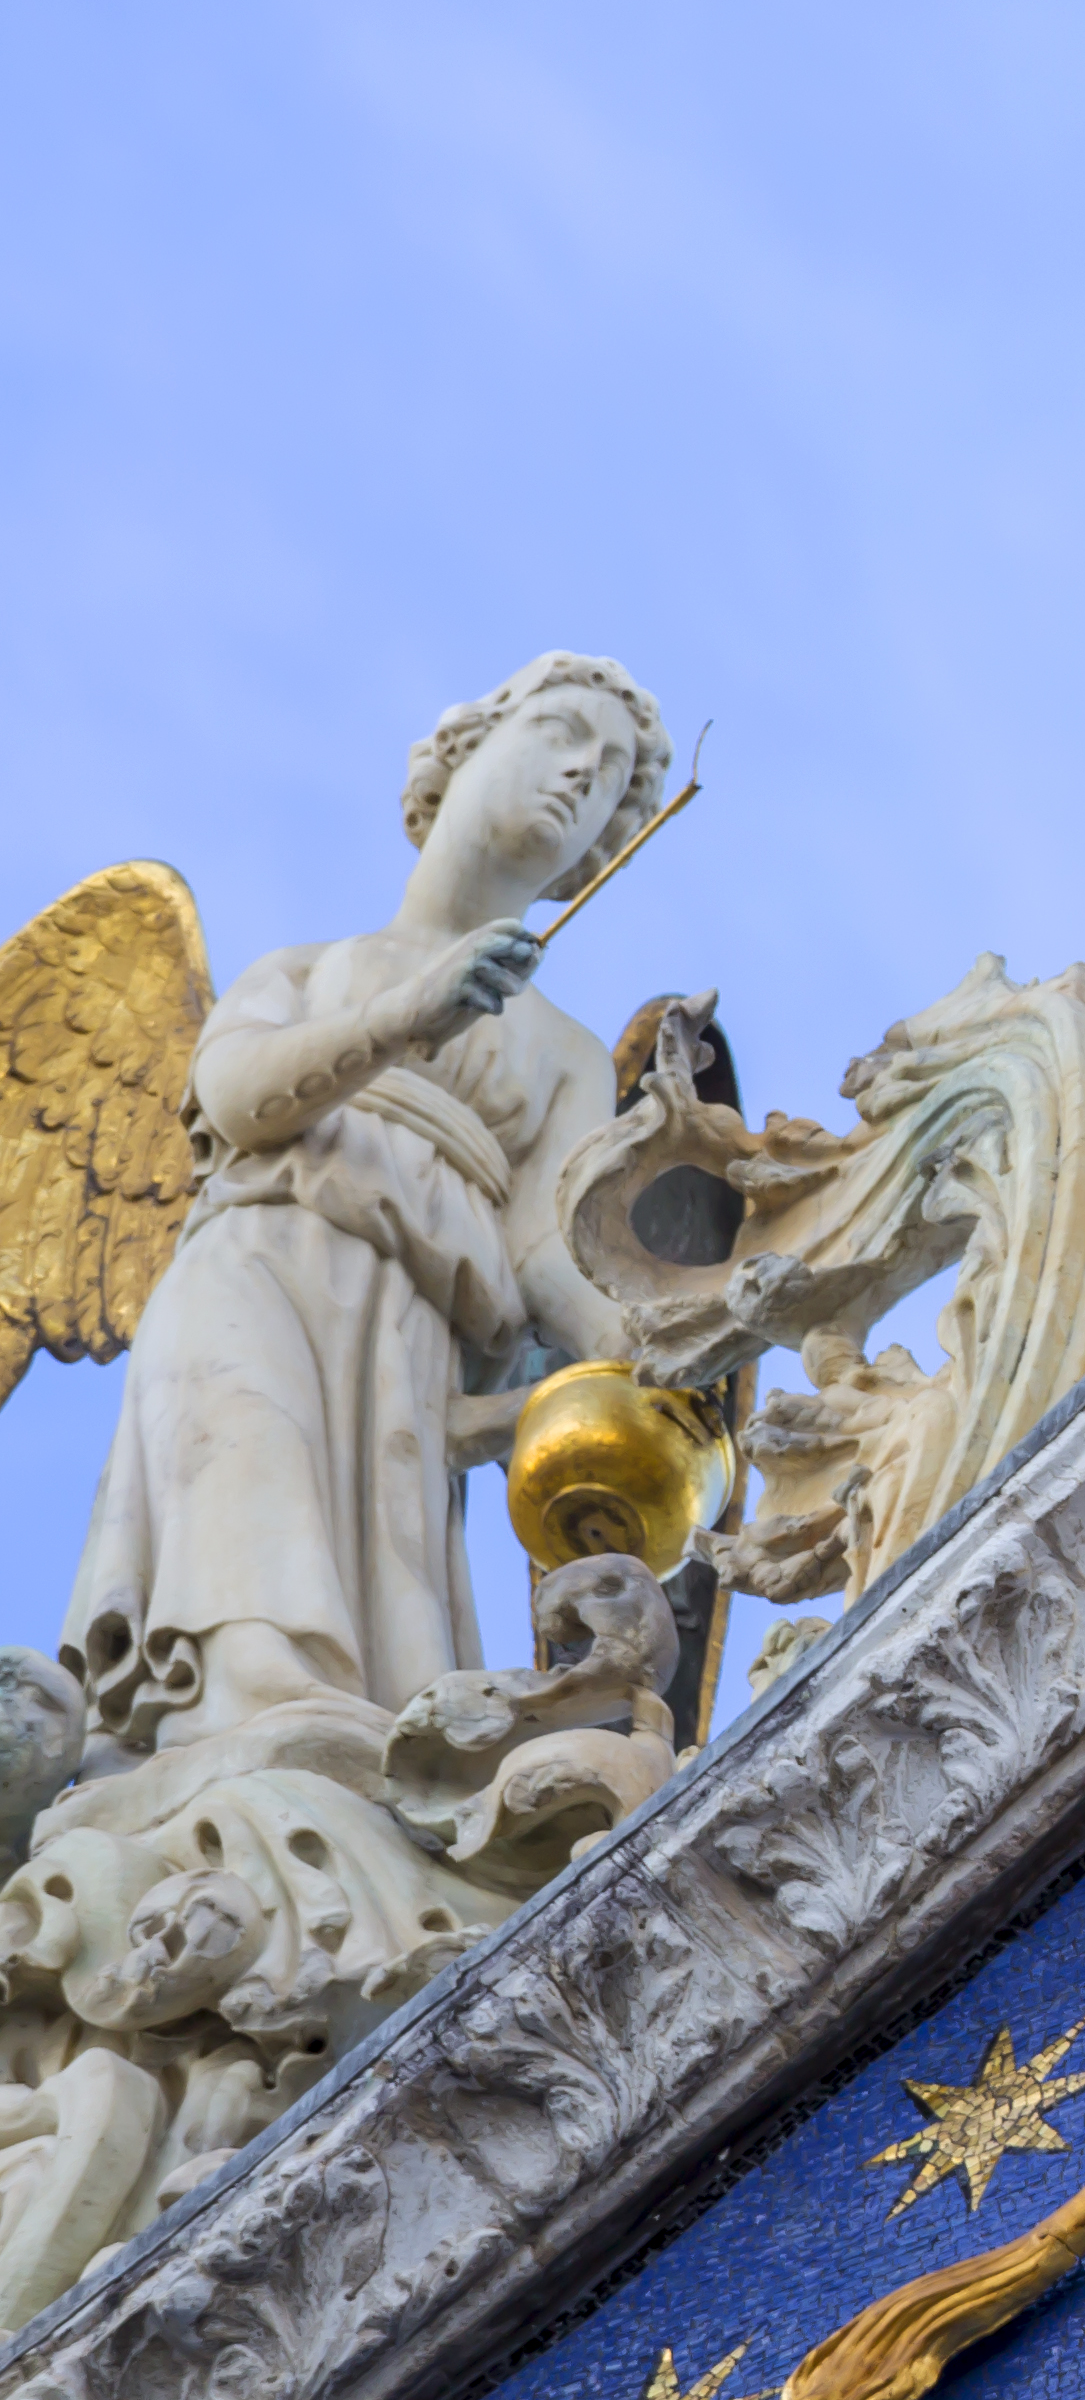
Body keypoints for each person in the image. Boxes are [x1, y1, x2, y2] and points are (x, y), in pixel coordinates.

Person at [65, 659, 666, 1757]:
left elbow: (545, 1246)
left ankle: (353, 1755)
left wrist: (638, 1361)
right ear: (461, 752)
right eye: (561, 732)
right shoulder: (310, 968)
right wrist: (404, 1018)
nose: (585, 771)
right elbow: (238, 1097)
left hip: (414, 1334)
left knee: (378, 1601)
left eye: (615, 774)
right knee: (242, 1470)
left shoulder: (568, 1055)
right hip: (250, 1263)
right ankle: (238, 1719)